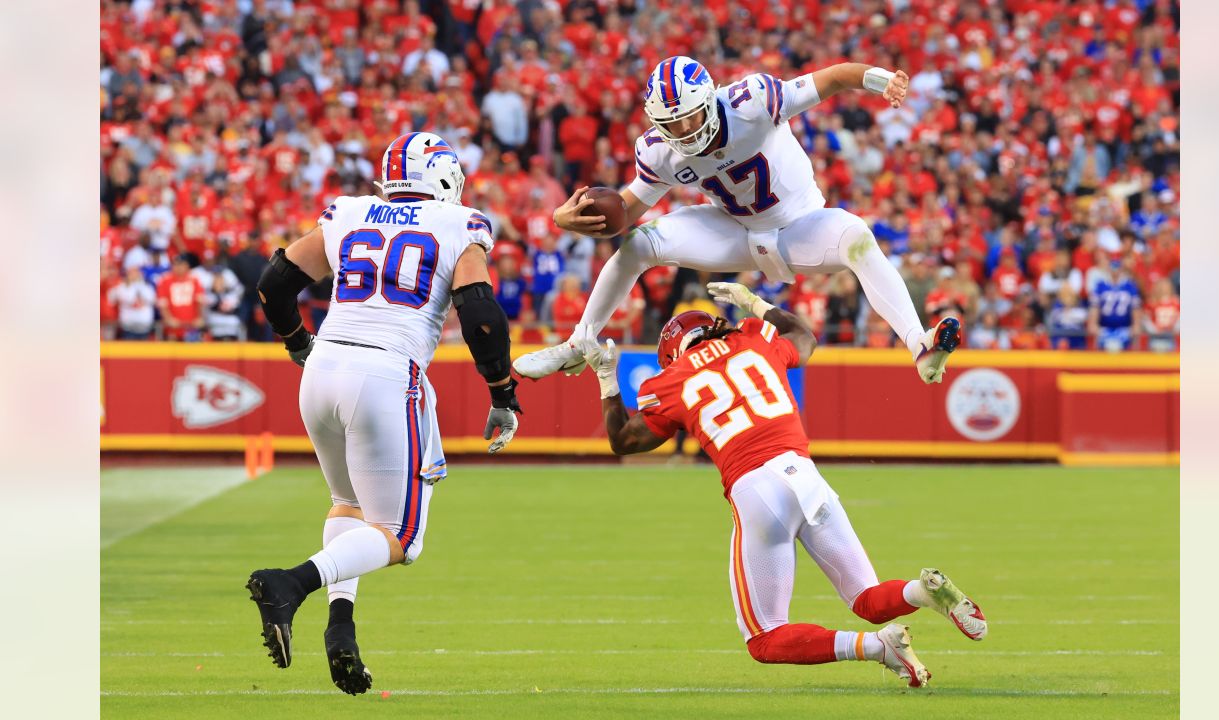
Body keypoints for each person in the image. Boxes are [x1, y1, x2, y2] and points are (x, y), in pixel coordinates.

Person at [575, 281, 982, 688]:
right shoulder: (755, 341)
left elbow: (622, 441)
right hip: (805, 477)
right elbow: (805, 337)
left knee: (764, 637)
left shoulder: (673, 378)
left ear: (674, 353)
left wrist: (607, 380)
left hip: (755, 488)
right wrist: (756, 302)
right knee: (868, 599)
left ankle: (873, 646)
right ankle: (920, 594)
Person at [245, 132, 522, 696]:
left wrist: (299, 344)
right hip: (388, 375)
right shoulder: (460, 223)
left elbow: (275, 285)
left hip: (323, 369)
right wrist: (500, 390)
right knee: (401, 538)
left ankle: (340, 628)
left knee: (348, 504)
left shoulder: (348, 211)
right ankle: (291, 583)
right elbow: (481, 316)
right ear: (445, 176)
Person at [515, 56, 960, 384]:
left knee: (857, 237)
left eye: (690, 116)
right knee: (638, 244)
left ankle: (918, 344)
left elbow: (836, 76)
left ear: (709, 100)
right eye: (673, 123)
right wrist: (564, 218)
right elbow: (625, 213)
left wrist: (881, 80)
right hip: (735, 230)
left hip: (798, 224)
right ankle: (579, 343)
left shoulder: (754, 101)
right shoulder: (657, 149)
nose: (685, 131)